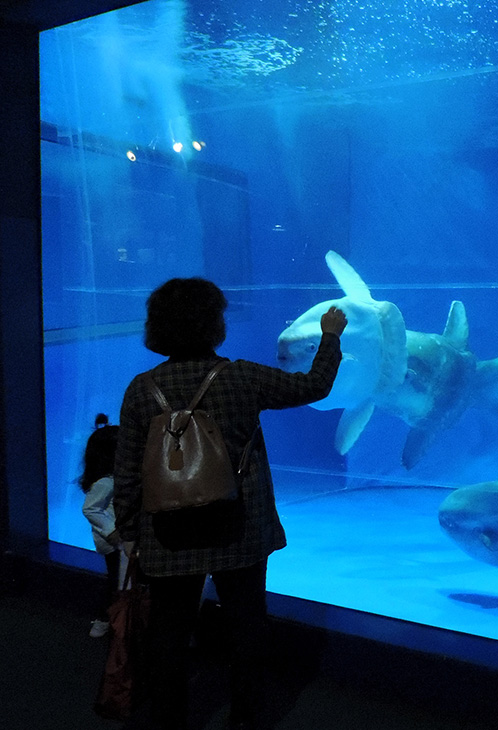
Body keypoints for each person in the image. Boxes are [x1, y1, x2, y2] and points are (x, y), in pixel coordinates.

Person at [113, 277, 346, 730]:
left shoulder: (142, 389)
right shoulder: (241, 377)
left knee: (169, 637)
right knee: (246, 631)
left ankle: (168, 720)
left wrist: (127, 532)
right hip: (238, 527)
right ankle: (246, 719)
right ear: (213, 325)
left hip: (167, 534)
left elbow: (128, 470)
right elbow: (314, 386)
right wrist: (330, 335)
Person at [80, 413, 122, 638]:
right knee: (115, 581)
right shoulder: (106, 482)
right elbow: (90, 509)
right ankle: (104, 618)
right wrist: (112, 532)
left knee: (118, 580)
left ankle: (115, 617)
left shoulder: (112, 478)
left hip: (118, 540)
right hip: (114, 542)